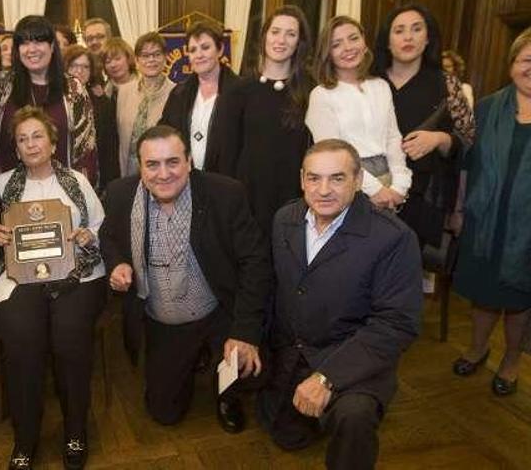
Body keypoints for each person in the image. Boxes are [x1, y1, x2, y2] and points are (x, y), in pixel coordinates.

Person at [260, 139, 423, 470]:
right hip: (295, 349)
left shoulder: (393, 238)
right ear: (301, 179)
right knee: (285, 436)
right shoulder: (284, 220)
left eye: (337, 178)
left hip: (353, 357)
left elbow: (396, 324)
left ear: (358, 180)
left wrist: (327, 377)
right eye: (314, 178)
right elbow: (271, 288)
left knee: (354, 418)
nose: (323, 190)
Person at [100, 125, 271, 433]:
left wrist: (244, 331)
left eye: (173, 162)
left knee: (246, 372)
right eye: (152, 164)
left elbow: (255, 262)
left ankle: (226, 394)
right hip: (163, 318)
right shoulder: (119, 194)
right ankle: (194, 357)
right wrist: (117, 265)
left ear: (189, 162)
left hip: (218, 309)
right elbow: (109, 237)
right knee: (164, 412)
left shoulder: (225, 193)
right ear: (140, 166)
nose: (163, 173)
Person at [0, 107, 106, 470]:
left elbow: (99, 227)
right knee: (22, 339)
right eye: (22, 139)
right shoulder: (2, 184)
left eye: (37, 136)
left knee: (69, 337)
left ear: (53, 143)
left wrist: (87, 235)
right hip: (20, 279)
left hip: (77, 275)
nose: (30, 144)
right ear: (16, 149)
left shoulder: (77, 181)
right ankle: (25, 437)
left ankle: (75, 430)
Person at [451, 28, 531, 397]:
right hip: (484, 221)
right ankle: (478, 348)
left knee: (518, 300)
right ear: (513, 64)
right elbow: (467, 164)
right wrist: (458, 209)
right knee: (483, 293)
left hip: (527, 231)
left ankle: (511, 360)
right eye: (526, 59)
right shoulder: (487, 107)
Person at [372, 5, 475, 251]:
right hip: (371, 192)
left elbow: (469, 138)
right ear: (388, 41)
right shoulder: (369, 81)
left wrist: (439, 139)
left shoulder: (446, 84)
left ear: (428, 38)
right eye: (399, 30)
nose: (408, 37)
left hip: (421, 198)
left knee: (403, 277)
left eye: (416, 29)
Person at [306, 15, 411, 211]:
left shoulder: (380, 86)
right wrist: (374, 189)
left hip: (389, 178)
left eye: (353, 38)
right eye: (336, 44)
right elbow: (333, 155)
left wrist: (399, 185)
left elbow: (393, 138)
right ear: (327, 53)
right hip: (345, 182)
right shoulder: (321, 95)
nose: (348, 48)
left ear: (364, 43)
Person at [0, 15, 97, 186]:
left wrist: (79, 194)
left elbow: (85, 151)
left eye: (38, 42)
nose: (32, 49)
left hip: (61, 194)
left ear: (52, 47)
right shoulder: (0, 86)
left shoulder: (74, 89)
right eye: (25, 43)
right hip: (10, 194)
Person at [230, 6, 314, 237]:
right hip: (249, 199)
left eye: (291, 34)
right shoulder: (240, 89)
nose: (281, 40)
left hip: (295, 199)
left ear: (299, 42)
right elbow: (230, 151)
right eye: (275, 31)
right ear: (264, 35)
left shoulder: (312, 89)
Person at [159, 21, 241, 176]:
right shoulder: (179, 94)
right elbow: (167, 133)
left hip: (227, 183)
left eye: (205, 47)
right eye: (192, 50)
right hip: (185, 182)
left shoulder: (241, 92)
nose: (199, 55)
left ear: (220, 49)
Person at [115, 32, 175, 177]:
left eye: (156, 54)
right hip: (127, 171)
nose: (151, 60)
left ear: (165, 57)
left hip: (161, 173)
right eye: (145, 55)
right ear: (136, 60)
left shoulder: (176, 92)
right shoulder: (124, 91)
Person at [63, 44, 119, 187]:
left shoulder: (102, 101)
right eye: (74, 66)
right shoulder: (56, 100)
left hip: (96, 174)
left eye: (85, 67)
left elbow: (110, 145)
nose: (79, 71)